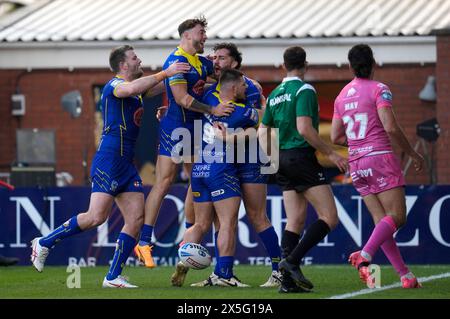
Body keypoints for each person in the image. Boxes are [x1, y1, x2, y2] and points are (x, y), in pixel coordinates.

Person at [30, 45, 190, 288]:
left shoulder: (137, 90)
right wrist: (166, 72)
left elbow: (162, 87)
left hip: (126, 163)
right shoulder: (115, 85)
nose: (140, 60)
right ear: (124, 65)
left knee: (136, 219)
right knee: (96, 217)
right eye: (135, 58)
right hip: (109, 159)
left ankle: (113, 276)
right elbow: (137, 86)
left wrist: (191, 75)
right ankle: (44, 242)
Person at [134, 17, 233, 269]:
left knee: (196, 179)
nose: (205, 37)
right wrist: (214, 109)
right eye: (202, 32)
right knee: (165, 181)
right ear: (187, 35)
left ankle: (189, 236)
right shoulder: (176, 62)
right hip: (176, 129)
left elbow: (223, 77)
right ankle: (144, 241)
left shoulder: (200, 62)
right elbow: (183, 99)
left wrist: (245, 81)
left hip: (196, 129)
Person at [188, 43, 282, 288]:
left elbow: (259, 124)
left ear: (235, 64)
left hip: (249, 159)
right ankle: (222, 273)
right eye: (215, 57)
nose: (216, 62)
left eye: (221, 58)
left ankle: (279, 270)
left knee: (257, 216)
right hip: (223, 161)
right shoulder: (211, 91)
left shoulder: (248, 87)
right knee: (223, 220)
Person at [331, 44, 424, 289]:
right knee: (397, 217)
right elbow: (390, 126)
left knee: (382, 221)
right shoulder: (379, 89)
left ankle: (405, 276)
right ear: (373, 64)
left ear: (350, 66)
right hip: (379, 157)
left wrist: (357, 142)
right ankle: (365, 255)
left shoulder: (341, 96)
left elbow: (335, 136)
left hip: (357, 163)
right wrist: (413, 153)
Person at [258, 46, 347, 293]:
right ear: (305, 65)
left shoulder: (275, 93)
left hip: (282, 159)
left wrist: (274, 159)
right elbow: (305, 129)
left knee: (294, 220)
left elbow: (262, 133)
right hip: (301, 157)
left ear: (283, 65)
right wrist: (331, 153)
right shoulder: (304, 90)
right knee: (329, 217)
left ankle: (286, 282)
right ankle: (292, 261)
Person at [177, 68, 259, 287]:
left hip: (199, 169)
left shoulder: (208, 98)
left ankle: (183, 259)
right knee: (227, 223)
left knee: (201, 224)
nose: (246, 88)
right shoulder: (243, 111)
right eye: (243, 85)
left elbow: (190, 98)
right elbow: (257, 125)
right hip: (221, 170)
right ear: (233, 88)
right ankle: (224, 274)